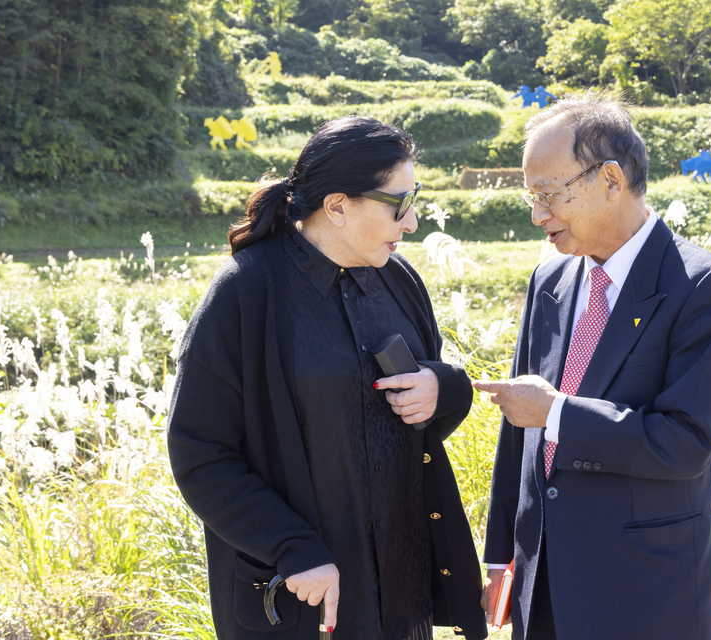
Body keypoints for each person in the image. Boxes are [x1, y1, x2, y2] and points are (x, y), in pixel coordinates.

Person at [167, 116, 487, 640]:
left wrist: (444, 388)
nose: (411, 222)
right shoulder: (244, 292)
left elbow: (419, 422)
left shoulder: (402, 281)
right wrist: (291, 547)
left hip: (401, 595)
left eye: (415, 199)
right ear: (337, 206)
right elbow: (199, 452)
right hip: (302, 594)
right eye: (399, 203)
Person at [474, 92, 711, 639]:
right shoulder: (549, 280)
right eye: (531, 197)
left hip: (644, 587)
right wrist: (501, 557)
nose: (538, 215)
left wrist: (557, 413)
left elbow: (685, 443)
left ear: (611, 179)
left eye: (549, 194)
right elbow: (519, 428)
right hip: (543, 580)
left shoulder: (701, 285)